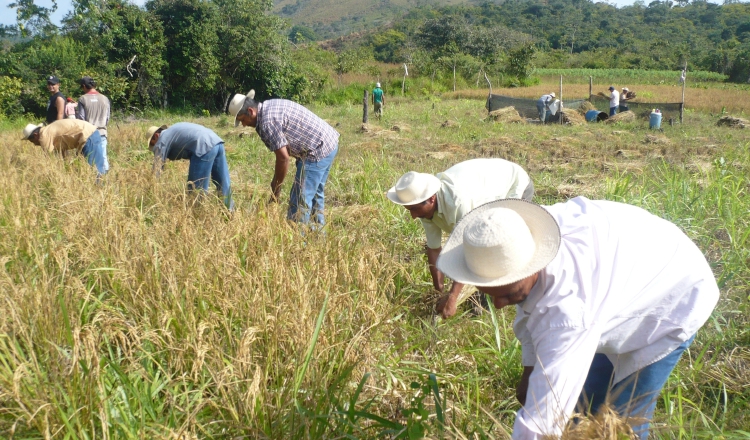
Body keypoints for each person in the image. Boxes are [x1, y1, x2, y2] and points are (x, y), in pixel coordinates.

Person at [435, 196, 719, 439]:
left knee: (619, 425)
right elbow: (533, 308)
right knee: (578, 412)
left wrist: (540, 405)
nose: (498, 306)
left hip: (672, 293)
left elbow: (539, 426)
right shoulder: (520, 236)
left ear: (533, 266)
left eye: (509, 295)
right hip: (623, 271)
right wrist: (530, 370)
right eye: (490, 294)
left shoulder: (568, 312)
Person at [387, 158, 534, 319]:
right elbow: (434, 248)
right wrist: (439, 292)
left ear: (431, 199)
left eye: (415, 209)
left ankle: (499, 295)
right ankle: (482, 291)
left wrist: (453, 297)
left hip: (512, 185)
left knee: (499, 242)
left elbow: (468, 250)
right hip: (485, 190)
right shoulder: (423, 205)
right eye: (409, 210)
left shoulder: (458, 202)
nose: (413, 216)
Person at [229, 90, 339, 226]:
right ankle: (318, 236)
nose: (244, 125)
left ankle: (299, 242)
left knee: (299, 201)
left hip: (317, 149)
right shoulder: (268, 106)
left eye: (243, 120)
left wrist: (276, 189)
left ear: (251, 111)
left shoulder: (267, 121)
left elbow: (283, 158)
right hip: (329, 141)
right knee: (315, 195)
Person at [146, 122, 234, 210]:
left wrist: (150, 192)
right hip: (217, 142)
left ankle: (197, 215)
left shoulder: (162, 140)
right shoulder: (173, 130)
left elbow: (157, 168)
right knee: (223, 182)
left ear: (157, 136)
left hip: (202, 147)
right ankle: (229, 212)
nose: (155, 147)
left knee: (196, 188)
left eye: (153, 144)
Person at [22, 119, 107, 177]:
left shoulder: (44, 136)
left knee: (94, 170)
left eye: (32, 141)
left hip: (88, 136)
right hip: (89, 134)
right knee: (83, 170)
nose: (35, 144)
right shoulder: (48, 131)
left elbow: (49, 162)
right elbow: (63, 155)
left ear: (35, 135)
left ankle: (100, 191)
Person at [76, 76, 111, 172]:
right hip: (102, 132)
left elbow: (81, 119)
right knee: (103, 159)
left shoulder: (82, 99)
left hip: (89, 134)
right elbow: (107, 117)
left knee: (89, 161)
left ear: (84, 86)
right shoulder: (105, 98)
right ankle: (105, 181)